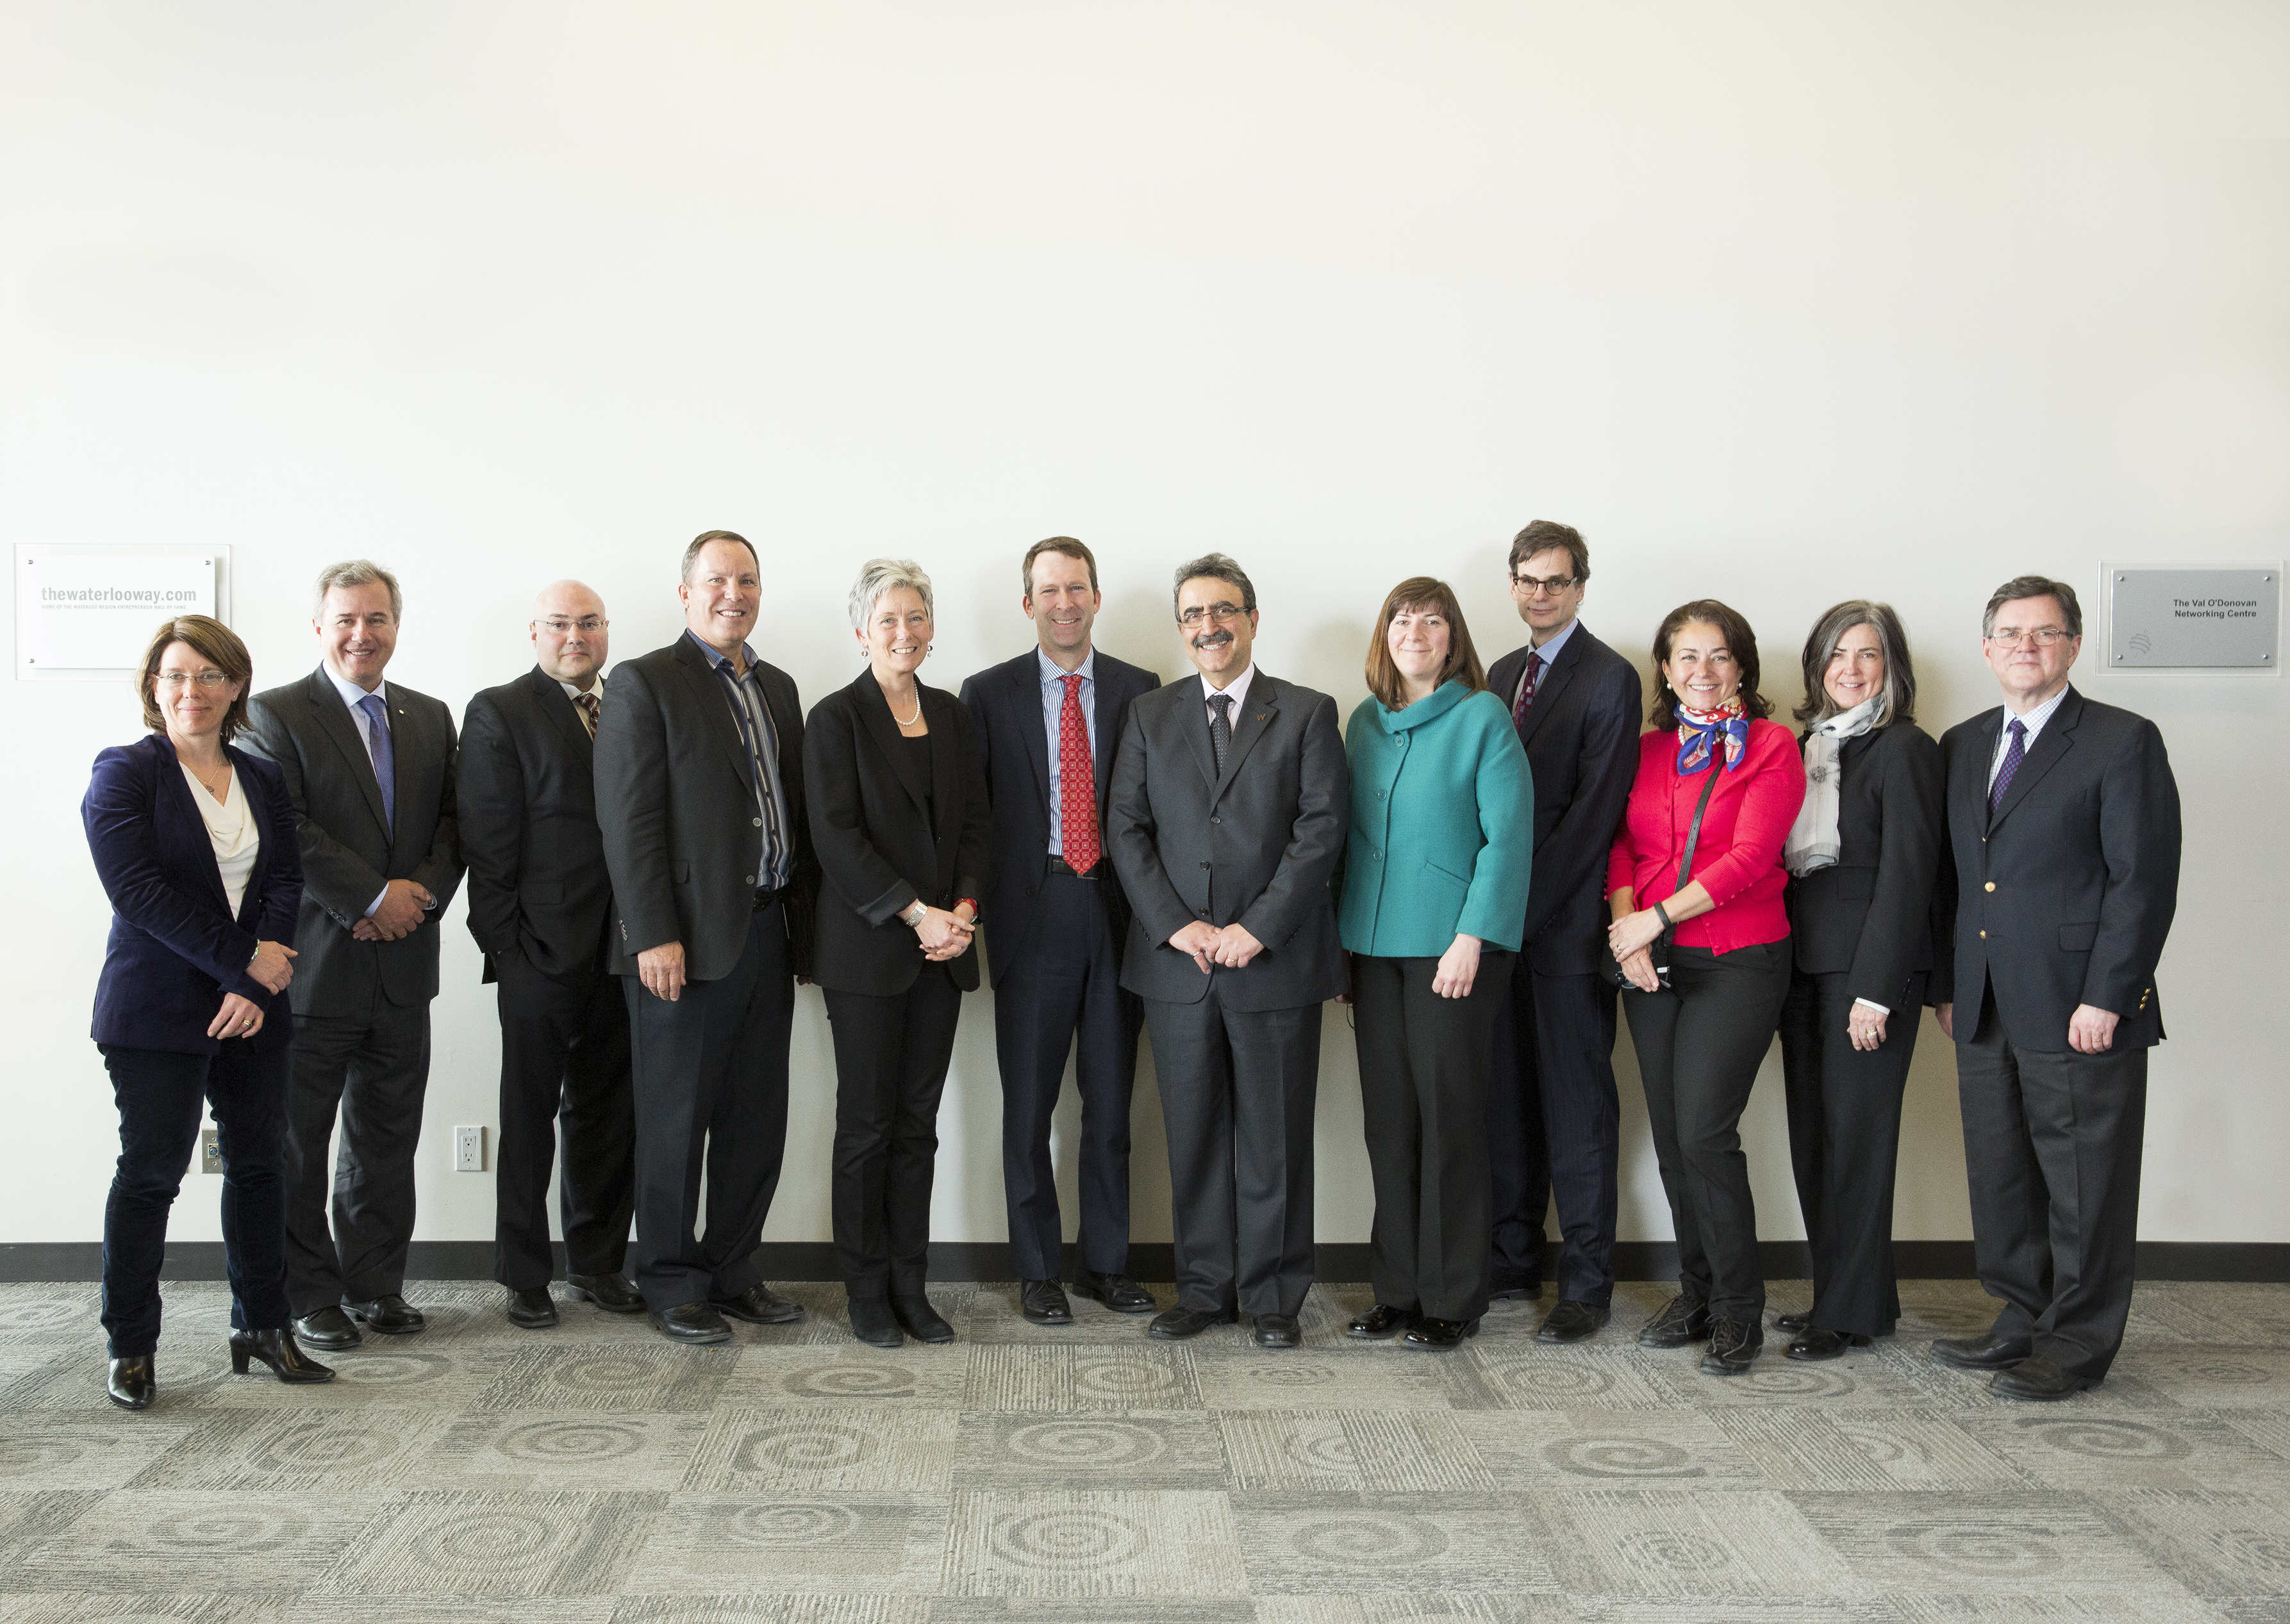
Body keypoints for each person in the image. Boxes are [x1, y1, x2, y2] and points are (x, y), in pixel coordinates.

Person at [1929, 576, 2180, 1400]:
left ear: (2073, 644)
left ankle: (2076, 1344)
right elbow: (1955, 880)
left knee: (2084, 1185)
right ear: (1987, 647)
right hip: (1985, 999)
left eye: (2043, 632)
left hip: (2080, 1002)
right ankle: (2018, 1318)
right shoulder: (1964, 742)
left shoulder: (2120, 739)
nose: (2024, 646)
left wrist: (2109, 994)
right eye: (2009, 633)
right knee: (2000, 1173)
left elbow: (2141, 882)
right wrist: (1945, 984)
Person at [81, 617, 333, 1408]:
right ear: (153, 688)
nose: (191, 691)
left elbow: (287, 879)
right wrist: (243, 963)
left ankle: (263, 1325)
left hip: (254, 1009)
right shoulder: (125, 772)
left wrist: (256, 984)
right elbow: (139, 894)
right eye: (174, 676)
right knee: (152, 1173)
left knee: (263, 1166)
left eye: (209, 676)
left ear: (236, 686)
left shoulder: (259, 776)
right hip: (155, 1012)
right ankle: (131, 1344)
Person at [1108, 553, 1348, 1350]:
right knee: (1195, 1134)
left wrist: (1257, 927)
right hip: (1179, 966)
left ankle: (1274, 1296)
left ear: (1251, 616)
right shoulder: (1149, 715)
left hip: (1271, 961)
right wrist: (1179, 924)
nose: (1208, 626)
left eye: (1223, 611)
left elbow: (1321, 830)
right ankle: (1206, 1288)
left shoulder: (1309, 712)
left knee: (1274, 1138)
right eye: (1193, 615)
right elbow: (1127, 830)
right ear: (1182, 629)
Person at [595, 529, 817, 1345]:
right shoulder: (644, 682)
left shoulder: (779, 686)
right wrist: (652, 933)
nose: (735, 593)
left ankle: (733, 1267)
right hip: (680, 946)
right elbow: (629, 822)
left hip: (765, 931)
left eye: (748, 579)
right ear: (685, 592)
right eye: (718, 580)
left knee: (758, 1116)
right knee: (674, 1119)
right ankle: (669, 1278)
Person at [240, 561, 463, 1352]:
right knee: (301, 1142)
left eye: (375, 619)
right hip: (316, 968)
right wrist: (374, 899)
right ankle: (311, 1293)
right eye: (345, 620)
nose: (361, 634)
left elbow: (452, 826)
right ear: (319, 626)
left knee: (385, 1138)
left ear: (396, 625)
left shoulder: (431, 716)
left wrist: (416, 898)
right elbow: (288, 829)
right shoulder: (273, 715)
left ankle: (377, 1285)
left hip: (403, 966)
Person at [958, 538, 1161, 1325]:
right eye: (1049, 590)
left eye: (1077, 588)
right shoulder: (987, 692)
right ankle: (1038, 1268)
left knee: (1110, 1106)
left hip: (1117, 909)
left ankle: (1105, 1264)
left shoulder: (1140, 690)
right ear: (1028, 603)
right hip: (1031, 911)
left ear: (1097, 597)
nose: (1065, 603)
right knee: (1030, 1108)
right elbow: (974, 819)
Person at [1605, 601, 1804, 1376]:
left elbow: (1751, 856)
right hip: (1650, 960)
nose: (1703, 670)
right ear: (1665, 667)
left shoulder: (1772, 744)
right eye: (1687, 656)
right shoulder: (1649, 749)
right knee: (1670, 1134)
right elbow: (1619, 842)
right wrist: (1629, 931)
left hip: (1738, 956)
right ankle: (1694, 1290)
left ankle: (1737, 1309)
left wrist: (1651, 917)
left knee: (1704, 1133)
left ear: (1743, 667)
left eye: (1719, 656)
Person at [1338, 579, 1532, 1351]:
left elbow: (1508, 839)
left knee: (1450, 1118)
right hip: (1372, 947)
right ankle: (1399, 1288)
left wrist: (1472, 936)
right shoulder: (1362, 722)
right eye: (1401, 618)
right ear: (1384, 634)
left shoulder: (1483, 716)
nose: (1415, 631)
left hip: (1453, 951)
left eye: (1433, 620)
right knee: (1390, 1122)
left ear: (1454, 637)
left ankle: (1453, 1296)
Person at [806, 559, 992, 1349]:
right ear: (861, 631)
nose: (904, 632)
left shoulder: (952, 715)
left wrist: (964, 912)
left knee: (919, 1124)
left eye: (916, 616)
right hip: (869, 954)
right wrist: (917, 913)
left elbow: (979, 826)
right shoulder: (836, 718)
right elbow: (836, 838)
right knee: (867, 1124)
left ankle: (913, 1285)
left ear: (931, 626)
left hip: (944, 953)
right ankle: (867, 1290)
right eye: (888, 619)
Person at [459, 581, 640, 1329]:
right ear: (535, 632)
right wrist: (506, 946)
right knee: (529, 1115)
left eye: (589, 623)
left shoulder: (630, 701)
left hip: (623, 950)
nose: (576, 635)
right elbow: (487, 840)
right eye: (561, 624)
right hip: (538, 948)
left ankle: (596, 1263)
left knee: (608, 1112)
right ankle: (524, 1272)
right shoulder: (500, 710)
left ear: (606, 631)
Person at [1481, 520, 1644, 1342]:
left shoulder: (1611, 677)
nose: (1540, 593)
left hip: (1567, 931)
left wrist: (1514, 910)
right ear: (1512, 583)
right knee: (1507, 1100)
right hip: (1500, 931)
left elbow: (1593, 817)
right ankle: (1512, 1256)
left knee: (1579, 1111)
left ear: (1581, 586)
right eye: (1528, 578)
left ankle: (1585, 1284)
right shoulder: (1502, 672)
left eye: (1556, 580)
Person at [1774, 602, 1943, 1361]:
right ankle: (1852, 1296)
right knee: (1815, 1139)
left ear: (1891, 667)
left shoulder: (1905, 748)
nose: (1851, 668)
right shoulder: (1807, 746)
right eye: (1838, 654)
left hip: (1864, 974)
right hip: (1803, 965)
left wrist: (1877, 988)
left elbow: (1910, 878)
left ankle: (1843, 1314)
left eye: (1868, 655)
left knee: (1858, 1142)